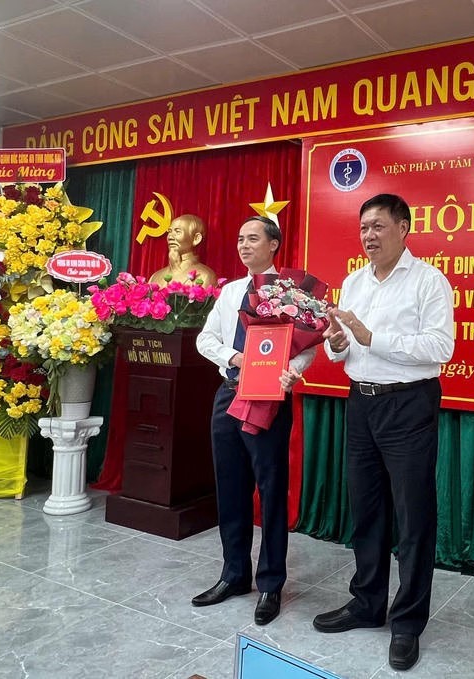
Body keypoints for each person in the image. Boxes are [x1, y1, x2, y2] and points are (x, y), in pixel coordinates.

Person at [313, 194, 454, 671]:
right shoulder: (354, 282)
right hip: (361, 403)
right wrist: (337, 343)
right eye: (363, 228)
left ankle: (408, 622)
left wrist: (372, 337)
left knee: (413, 517)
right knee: (366, 509)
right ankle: (367, 603)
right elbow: (343, 351)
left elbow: (440, 347)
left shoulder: (428, 281)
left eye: (377, 226)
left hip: (408, 405)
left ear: (403, 227)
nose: (368, 236)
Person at [193, 215, 314, 626]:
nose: (244, 245)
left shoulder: (291, 292)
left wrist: (291, 370)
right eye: (240, 239)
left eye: (253, 238)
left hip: (270, 397)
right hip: (230, 392)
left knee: (271, 490)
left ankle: (271, 584)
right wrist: (236, 358)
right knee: (230, 488)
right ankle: (234, 575)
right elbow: (205, 339)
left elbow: (307, 347)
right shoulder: (230, 292)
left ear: (273, 244)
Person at [149, 213, 218, 287]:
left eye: (178, 232)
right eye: (169, 232)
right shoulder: (155, 277)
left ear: (196, 239)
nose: (170, 237)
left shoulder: (205, 276)